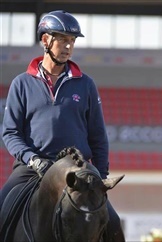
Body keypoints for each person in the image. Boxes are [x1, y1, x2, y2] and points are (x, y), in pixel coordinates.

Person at [0, 10, 124, 241]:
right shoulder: (21, 83)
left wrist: (101, 177)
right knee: (1, 209)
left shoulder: (86, 84)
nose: (68, 46)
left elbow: (98, 136)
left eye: (72, 41)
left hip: (78, 172)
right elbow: (11, 133)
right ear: (45, 40)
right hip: (31, 169)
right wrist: (33, 159)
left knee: (114, 223)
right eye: (63, 40)